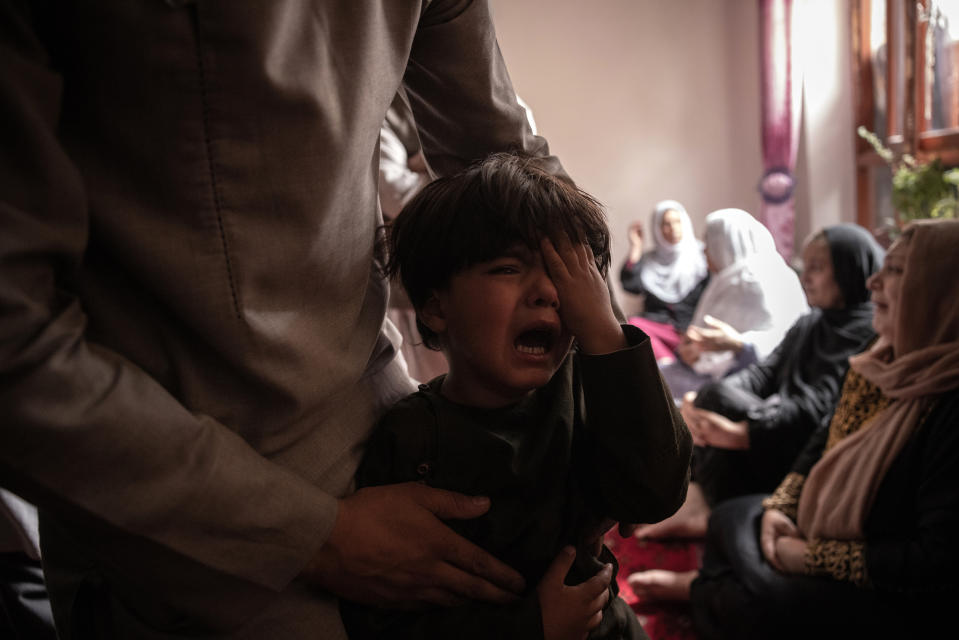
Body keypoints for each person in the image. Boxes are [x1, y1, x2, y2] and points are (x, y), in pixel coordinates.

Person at [0, 3, 580, 638]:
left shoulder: (436, 428)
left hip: (382, 405)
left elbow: (503, 153)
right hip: (195, 485)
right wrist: (313, 538)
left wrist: (609, 367)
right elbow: (15, 350)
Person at [341, 153, 693, 640]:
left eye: (566, 277)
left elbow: (657, 491)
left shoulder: (586, 390)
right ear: (435, 305)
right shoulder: (412, 438)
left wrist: (607, 336)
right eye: (508, 268)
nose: (547, 293)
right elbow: (385, 616)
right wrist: (533, 627)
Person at [688, 219, 959, 639]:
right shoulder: (880, 356)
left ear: (943, 292)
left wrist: (810, 557)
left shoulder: (949, 401)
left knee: (752, 602)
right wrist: (782, 505)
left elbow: (935, 561)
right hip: (819, 524)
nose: (873, 283)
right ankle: (717, 587)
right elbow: (826, 435)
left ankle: (711, 589)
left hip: (885, 585)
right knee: (730, 518)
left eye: (897, 271)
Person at [627, 224, 884, 598]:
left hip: (804, 452)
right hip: (777, 426)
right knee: (715, 397)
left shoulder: (865, 331)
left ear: (849, 269)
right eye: (805, 265)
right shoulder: (814, 321)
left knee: (722, 408)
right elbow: (766, 371)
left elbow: (820, 411)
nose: (805, 276)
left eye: (818, 267)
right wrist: (714, 396)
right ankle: (709, 509)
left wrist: (743, 432)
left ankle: (713, 516)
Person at [660, 208, 808, 400]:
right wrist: (690, 351)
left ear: (725, 244)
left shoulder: (750, 281)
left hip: (749, 381)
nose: (705, 250)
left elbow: (777, 344)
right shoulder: (728, 279)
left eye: (709, 242)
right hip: (720, 375)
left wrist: (732, 347)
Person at [620, 200, 709, 362]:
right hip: (658, 331)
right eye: (666, 224)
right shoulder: (649, 261)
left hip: (691, 331)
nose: (673, 228)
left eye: (677, 222)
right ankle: (668, 368)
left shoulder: (702, 257)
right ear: (657, 229)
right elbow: (630, 285)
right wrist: (636, 247)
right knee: (632, 326)